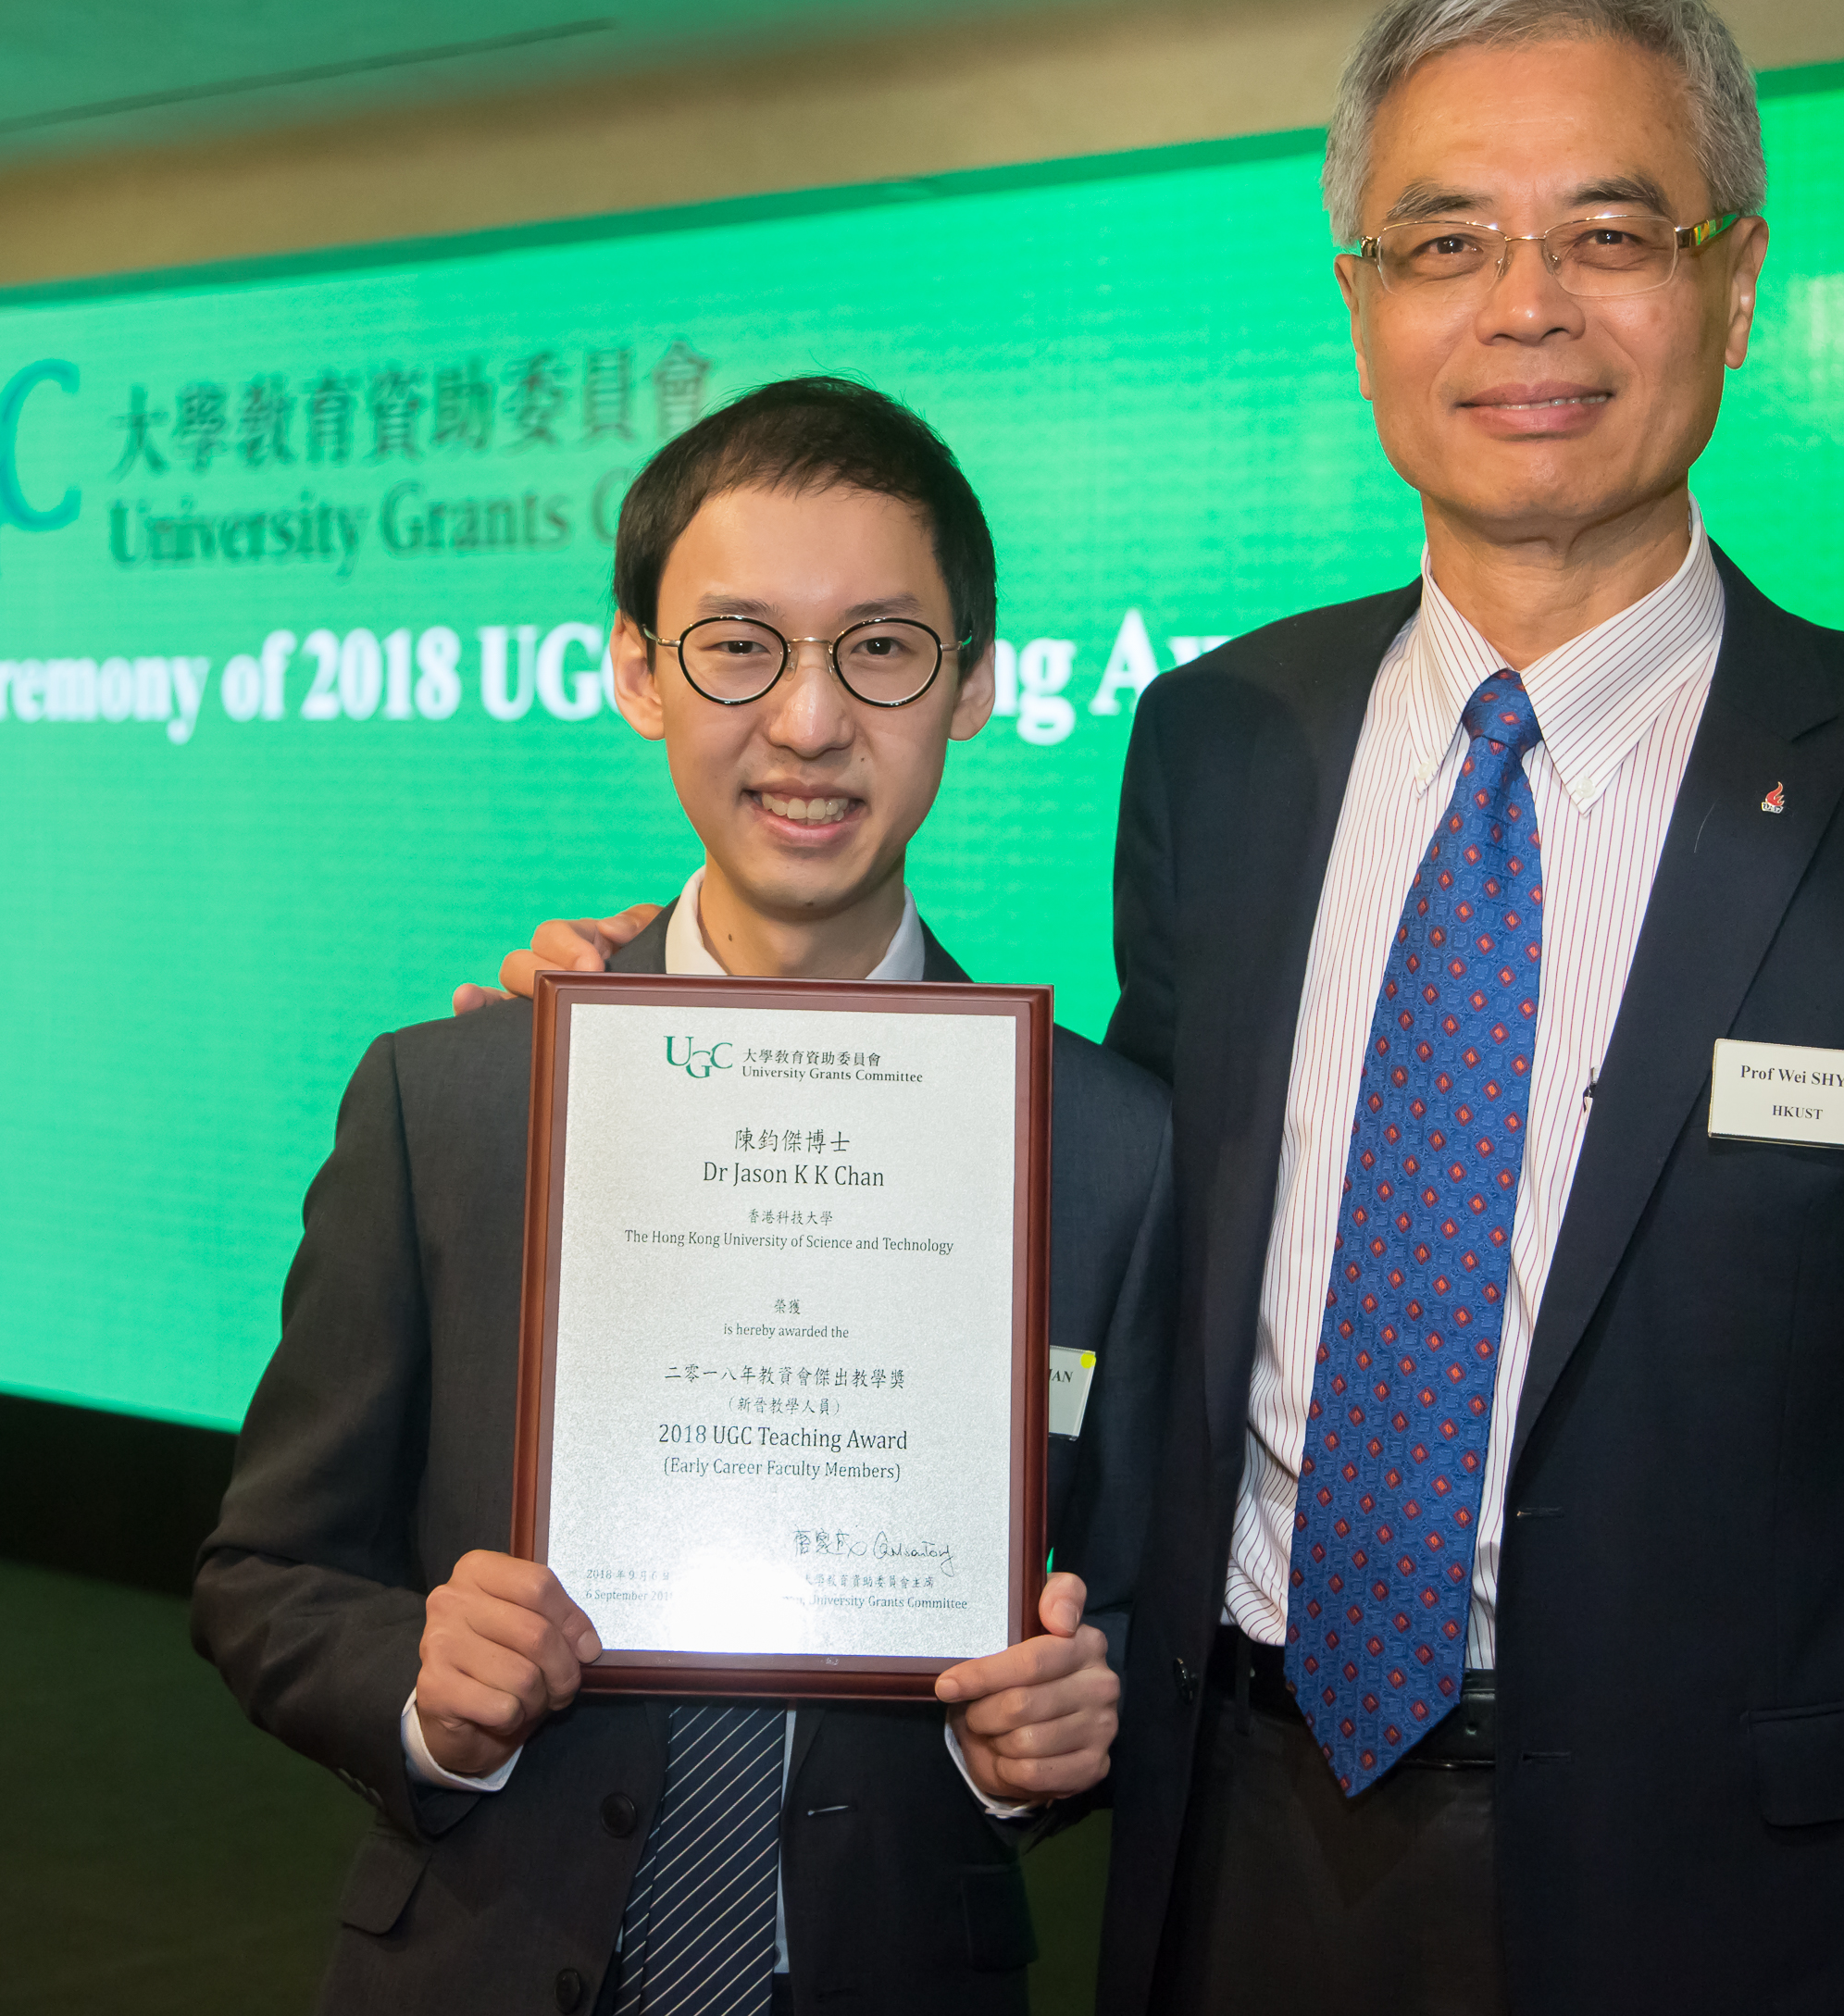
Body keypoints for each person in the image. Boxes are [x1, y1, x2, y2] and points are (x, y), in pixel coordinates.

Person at [478, 0, 1844, 2016]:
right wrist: (667, 1049)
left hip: (1726, 1899)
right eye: (1445, 238)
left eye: (1608, 231)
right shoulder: (1223, 743)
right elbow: (1119, 1222)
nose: (1524, 303)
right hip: (1236, 1833)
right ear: (1361, 303)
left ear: (1735, 278)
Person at [197, 377, 1177, 2016]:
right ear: (636, 673)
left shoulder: (1106, 1146)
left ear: (978, 689)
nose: (807, 722)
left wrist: (1065, 1733)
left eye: (882, 649)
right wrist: (426, 1694)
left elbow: (1149, 1597)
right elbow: (265, 1577)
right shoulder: (452, 1104)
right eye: (737, 647)